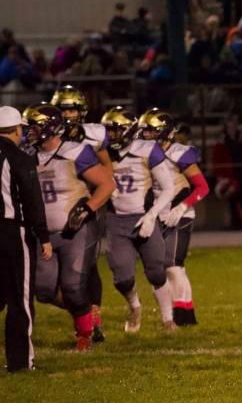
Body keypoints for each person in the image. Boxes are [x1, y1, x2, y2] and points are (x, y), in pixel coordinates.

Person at [23, 104, 114, 351]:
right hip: (44, 234)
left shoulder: (75, 152)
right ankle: (85, 313)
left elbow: (107, 184)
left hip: (76, 230)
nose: (30, 130)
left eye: (35, 125)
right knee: (43, 290)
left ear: (51, 126)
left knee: (73, 286)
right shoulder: (26, 155)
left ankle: (84, 335)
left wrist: (87, 208)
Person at [101, 106, 178, 332]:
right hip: (116, 220)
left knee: (156, 271)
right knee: (122, 278)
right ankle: (135, 306)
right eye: (108, 131)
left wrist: (151, 216)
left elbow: (168, 188)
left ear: (128, 130)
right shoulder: (102, 152)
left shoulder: (148, 150)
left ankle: (168, 320)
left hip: (144, 217)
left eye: (115, 131)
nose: (111, 136)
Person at [51, 85, 111, 342]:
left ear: (81, 110)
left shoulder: (93, 134)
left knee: (88, 264)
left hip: (87, 203)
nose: (67, 114)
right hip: (57, 204)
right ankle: (81, 312)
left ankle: (92, 320)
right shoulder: (44, 135)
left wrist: (97, 195)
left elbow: (107, 168)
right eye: (62, 109)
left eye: (72, 109)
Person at [144, 116, 209, 327]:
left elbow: (202, 187)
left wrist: (182, 206)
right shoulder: (143, 152)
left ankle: (181, 315)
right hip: (155, 214)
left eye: (152, 130)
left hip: (179, 214)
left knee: (172, 264)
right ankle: (184, 314)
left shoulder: (179, 153)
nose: (146, 135)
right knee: (162, 266)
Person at [0, 106, 52, 372]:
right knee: (20, 298)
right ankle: (20, 362)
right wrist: (43, 235)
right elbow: (33, 201)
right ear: (17, 130)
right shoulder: (19, 158)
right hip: (12, 232)